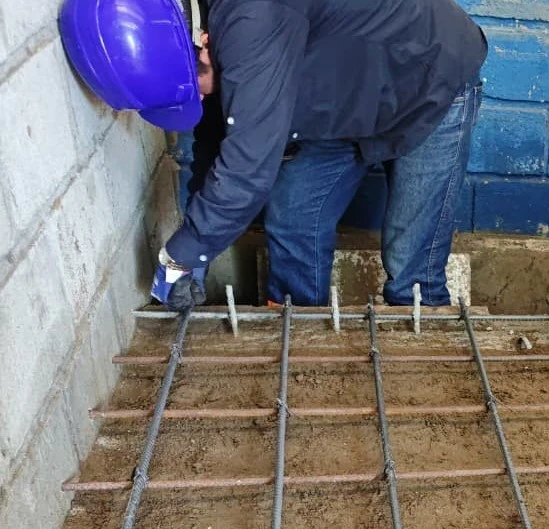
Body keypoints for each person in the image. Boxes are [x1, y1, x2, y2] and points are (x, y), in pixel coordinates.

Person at [60, 0, 487, 309]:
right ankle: (298, 340)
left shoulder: (253, 17)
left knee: (410, 258)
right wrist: (198, 250)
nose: (200, 100)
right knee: (293, 215)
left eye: (194, 89)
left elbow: (247, 169)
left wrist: (182, 255)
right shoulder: (208, 36)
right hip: (345, 94)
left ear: (202, 44)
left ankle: (420, 357)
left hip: (429, 75)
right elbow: (215, 146)